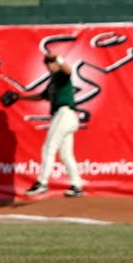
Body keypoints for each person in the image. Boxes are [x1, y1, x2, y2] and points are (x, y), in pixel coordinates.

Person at [19, 52, 87, 198]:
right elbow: (41, 96)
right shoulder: (52, 82)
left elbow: (69, 71)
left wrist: (58, 58)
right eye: (47, 62)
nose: (49, 64)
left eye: (51, 61)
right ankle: (77, 186)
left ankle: (42, 183)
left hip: (64, 113)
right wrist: (20, 97)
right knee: (66, 155)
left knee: (48, 147)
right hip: (65, 117)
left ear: (56, 62)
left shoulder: (61, 75)